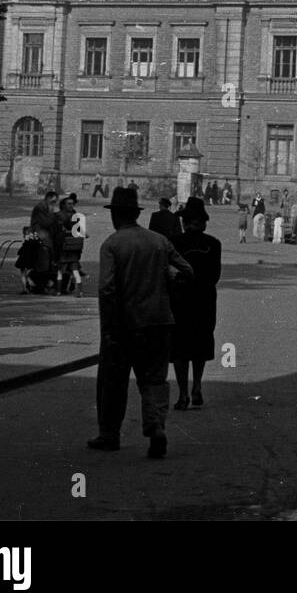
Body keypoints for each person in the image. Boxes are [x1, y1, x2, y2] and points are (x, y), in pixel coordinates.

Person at [89, 187, 194, 458]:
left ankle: (109, 435)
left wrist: (108, 329)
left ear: (115, 216)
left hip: (124, 325)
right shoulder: (158, 241)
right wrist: (166, 279)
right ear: (135, 214)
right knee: (154, 380)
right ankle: (156, 426)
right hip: (160, 322)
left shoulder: (112, 245)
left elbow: (107, 290)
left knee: (114, 382)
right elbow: (186, 271)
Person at [169, 198, 222, 410]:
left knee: (180, 349)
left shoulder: (174, 242)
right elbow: (215, 276)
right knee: (199, 346)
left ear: (184, 222)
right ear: (203, 223)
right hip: (204, 300)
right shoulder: (214, 243)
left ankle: (183, 394)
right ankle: (197, 386)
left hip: (181, 300)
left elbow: (170, 273)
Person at [57, 195, 87, 295]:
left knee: (71, 269)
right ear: (63, 205)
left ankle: (76, 290)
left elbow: (78, 228)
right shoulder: (60, 215)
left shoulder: (75, 215)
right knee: (63, 270)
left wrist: (82, 232)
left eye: (72, 204)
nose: (71, 205)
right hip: (63, 246)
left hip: (73, 246)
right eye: (69, 203)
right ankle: (60, 289)